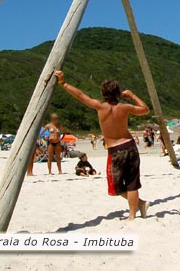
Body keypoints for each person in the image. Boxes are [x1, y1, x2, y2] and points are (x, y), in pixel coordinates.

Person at [55, 70, 150, 221]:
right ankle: (137, 210)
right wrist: (132, 95)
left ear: (103, 92)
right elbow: (145, 109)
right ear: (119, 93)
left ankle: (135, 211)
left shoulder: (100, 106)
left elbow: (80, 95)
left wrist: (63, 83)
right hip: (130, 146)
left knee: (118, 187)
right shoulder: (125, 107)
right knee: (132, 183)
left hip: (116, 151)